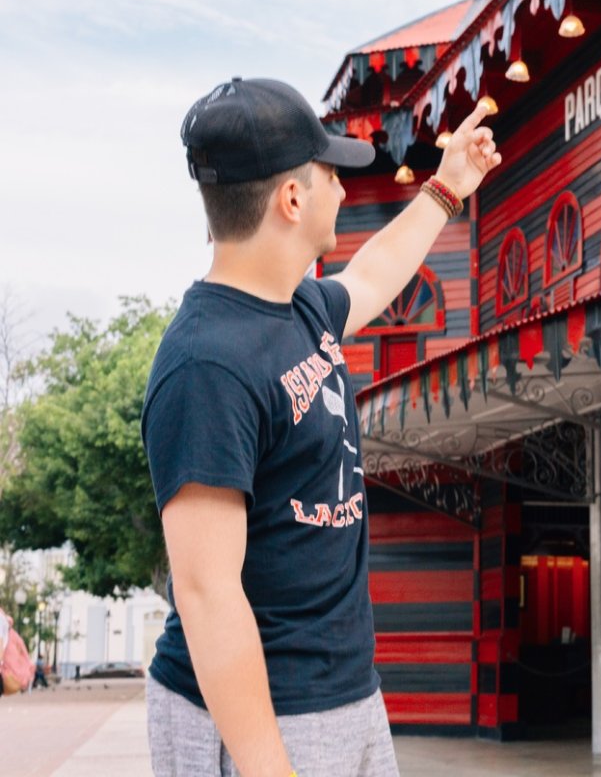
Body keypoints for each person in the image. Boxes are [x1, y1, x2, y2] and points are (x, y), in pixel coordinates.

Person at [141, 77, 500, 777]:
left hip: (344, 693)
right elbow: (208, 593)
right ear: (293, 199)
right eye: (332, 172)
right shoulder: (203, 366)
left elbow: (372, 277)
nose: (343, 188)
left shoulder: (299, 307)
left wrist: (446, 188)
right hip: (260, 716)